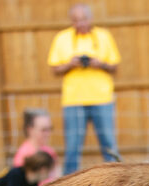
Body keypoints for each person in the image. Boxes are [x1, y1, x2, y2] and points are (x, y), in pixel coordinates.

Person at [47, 3, 121, 174]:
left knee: (109, 145)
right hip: (73, 100)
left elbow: (115, 67)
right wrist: (70, 64)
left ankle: (117, 180)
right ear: (71, 21)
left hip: (102, 99)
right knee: (72, 148)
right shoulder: (62, 38)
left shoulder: (104, 36)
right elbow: (54, 69)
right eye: (76, 20)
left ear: (90, 18)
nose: (80, 23)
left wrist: (99, 64)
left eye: (83, 19)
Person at [14, 108, 61, 182]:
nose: (48, 134)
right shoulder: (23, 156)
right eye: (44, 130)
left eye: (50, 129)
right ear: (30, 129)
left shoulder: (49, 151)